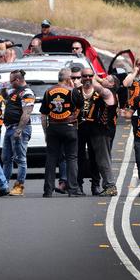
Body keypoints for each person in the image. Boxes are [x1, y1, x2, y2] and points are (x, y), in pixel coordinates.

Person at [40, 68, 85, 197]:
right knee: (71, 158)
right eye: (71, 78)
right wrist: (75, 116)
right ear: (67, 79)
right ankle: (73, 189)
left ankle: (48, 190)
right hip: (69, 127)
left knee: (51, 158)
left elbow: (43, 114)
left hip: (53, 127)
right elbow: (81, 105)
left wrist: (45, 132)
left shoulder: (48, 92)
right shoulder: (73, 91)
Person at [2, 70, 35, 196]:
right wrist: (4, 90)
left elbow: (26, 113)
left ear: (17, 80)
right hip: (9, 128)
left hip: (19, 128)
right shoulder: (14, 92)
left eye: (11, 81)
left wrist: (19, 129)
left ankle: (19, 185)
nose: (10, 84)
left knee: (20, 158)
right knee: (6, 158)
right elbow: (7, 99)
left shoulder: (27, 92)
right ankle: (4, 185)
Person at [85, 72, 119, 196]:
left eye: (107, 79)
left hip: (102, 131)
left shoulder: (108, 92)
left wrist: (92, 77)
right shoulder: (111, 92)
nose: (103, 79)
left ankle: (110, 185)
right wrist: (98, 78)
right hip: (102, 131)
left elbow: (96, 86)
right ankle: (108, 185)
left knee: (103, 159)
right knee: (102, 158)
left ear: (112, 84)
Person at [76, 69, 101, 195]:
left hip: (94, 129)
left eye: (90, 76)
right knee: (79, 157)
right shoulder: (76, 91)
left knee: (94, 157)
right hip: (79, 129)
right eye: (84, 76)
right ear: (81, 77)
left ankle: (96, 184)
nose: (87, 78)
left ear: (93, 77)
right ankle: (78, 184)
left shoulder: (99, 91)